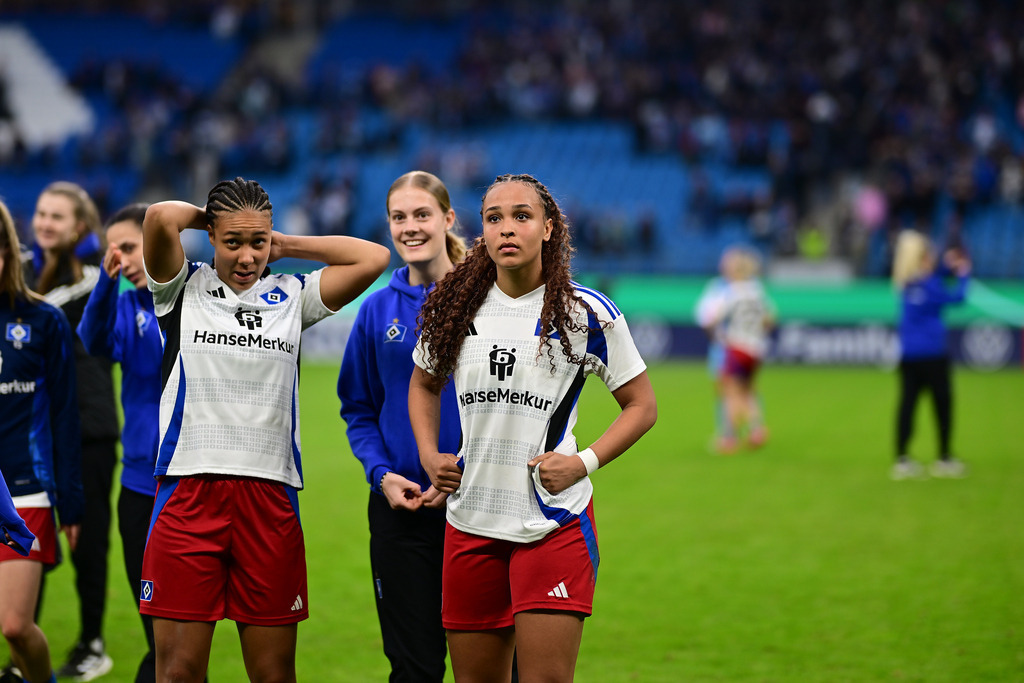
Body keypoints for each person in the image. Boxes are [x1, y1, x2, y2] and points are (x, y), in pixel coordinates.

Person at [140, 177, 390, 682]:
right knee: (178, 673)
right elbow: (159, 219)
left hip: (269, 498)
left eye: (258, 243)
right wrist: (211, 217)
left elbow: (373, 258)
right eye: (233, 242)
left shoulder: (293, 296)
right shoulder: (181, 289)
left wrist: (287, 244)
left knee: (274, 675)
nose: (248, 256)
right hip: (189, 494)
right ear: (211, 238)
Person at [409, 173, 657, 682]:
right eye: (494, 218)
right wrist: (429, 454)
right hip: (470, 523)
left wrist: (582, 462)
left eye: (521, 216)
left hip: (552, 526)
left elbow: (642, 405)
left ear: (548, 228)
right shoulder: (455, 308)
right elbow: (423, 385)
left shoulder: (586, 314)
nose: (507, 228)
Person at [338, 171, 466, 681]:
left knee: (498, 667)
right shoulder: (375, 311)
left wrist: (462, 470)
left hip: (480, 508)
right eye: (398, 217)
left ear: (447, 219)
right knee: (414, 669)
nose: (409, 227)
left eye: (422, 214)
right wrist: (380, 473)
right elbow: (358, 408)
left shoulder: (489, 300)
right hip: (401, 510)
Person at [29, 181, 119, 681]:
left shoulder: (91, 282)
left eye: (57, 217)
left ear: (80, 227)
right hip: (33, 432)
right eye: (41, 213)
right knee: (26, 538)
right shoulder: (19, 272)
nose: (45, 223)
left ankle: (92, 642)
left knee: (88, 541)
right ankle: (26, 644)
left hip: (88, 426)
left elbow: (38, 309)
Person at [77, 203, 163, 682]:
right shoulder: (126, 302)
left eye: (128, 248)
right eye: (113, 251)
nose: (121, 259)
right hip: (137, 485)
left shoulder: (199, 298)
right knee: (150, 614)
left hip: (187, 481)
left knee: (185, 625)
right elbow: (92, 340)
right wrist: (107, 282)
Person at [0, 198, 84, 683]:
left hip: (25, 492)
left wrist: (70, 504)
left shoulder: (42, 321)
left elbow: (64, 416)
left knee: (14, 626)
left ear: (9, 254)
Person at [891, 230, 971, 480]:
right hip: (934, 356)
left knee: (907, 405)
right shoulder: (930, 285)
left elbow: (933, 278)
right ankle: (944, 458)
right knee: (943, 406)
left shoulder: (905, 285)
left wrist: (947, 268)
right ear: (922, 259)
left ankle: (902, 458)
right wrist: (964, 274)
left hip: (909, 356)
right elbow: (957, 297)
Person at [702, 246, 775, 454]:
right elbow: (769, 320)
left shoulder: (732, 292)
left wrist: (720, 336)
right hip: (756, 349)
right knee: (749, 391)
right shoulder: (758, 291)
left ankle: (729, 438)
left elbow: (712, 319)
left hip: (736, 348)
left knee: (731, 393)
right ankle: (757, 430)